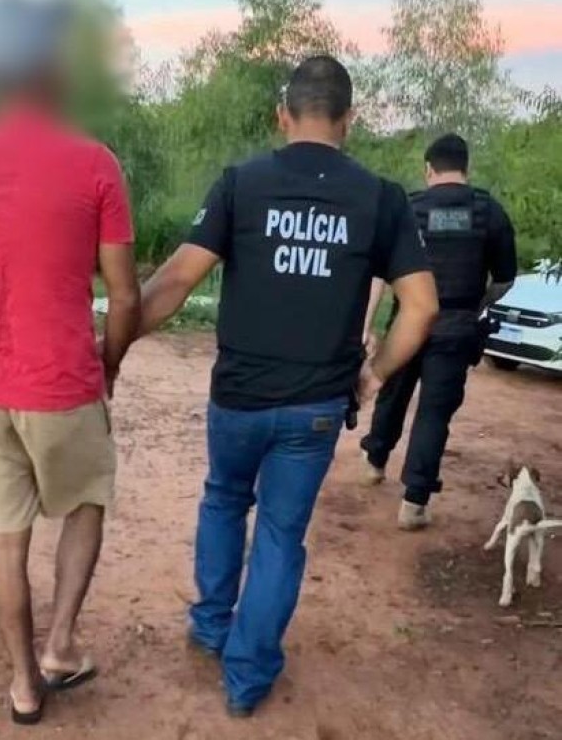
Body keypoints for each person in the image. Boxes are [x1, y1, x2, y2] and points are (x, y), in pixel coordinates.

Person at [138, 56, 438, 717]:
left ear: (283, 116)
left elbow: (174, 281)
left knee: (223, 501)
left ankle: (211, 628)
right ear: (348, 120)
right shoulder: (381, 198)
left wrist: (112, 343)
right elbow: (421, 308)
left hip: (237, 398)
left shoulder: (241, 184)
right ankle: (246, 681)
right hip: (315, 411)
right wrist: (374, 375)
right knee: (279, 534)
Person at [0, 0, 140, 725]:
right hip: (62, 383)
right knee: (86, 501)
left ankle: (24, 686)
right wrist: (109, 363)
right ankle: (60, 645)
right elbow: (124, 295)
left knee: (5, 541)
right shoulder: (94, 164)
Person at [361, 133, 518, 530]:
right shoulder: (489, 211)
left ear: (428, 169)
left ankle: (375, 462)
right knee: (434, 412)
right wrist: (475, 305)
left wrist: (366, 326)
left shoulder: (408, 209)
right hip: (456, 326)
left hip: (409, 321)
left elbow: (377, 274)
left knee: (392, 394)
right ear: (467, 167)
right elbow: (504, 279)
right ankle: (413, 504)